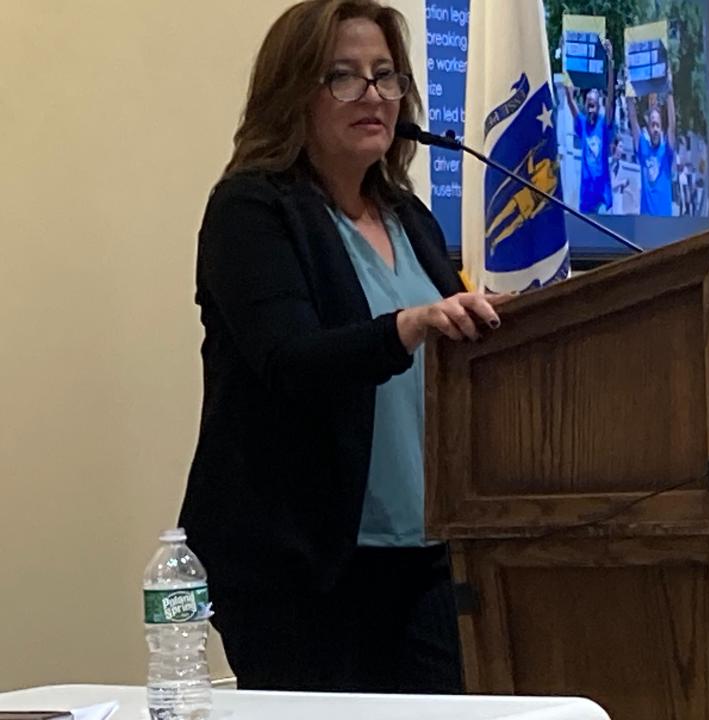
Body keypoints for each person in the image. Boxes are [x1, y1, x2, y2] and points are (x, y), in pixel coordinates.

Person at [177, 0, 503, 694]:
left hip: (427, 559)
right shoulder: (251, 211)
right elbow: (289, 360)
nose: (375, 96)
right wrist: (408, 326)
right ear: (293, 92)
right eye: (345, 77)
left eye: (386, 76)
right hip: (302, 563)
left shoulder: (407, 215)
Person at [563, 38, 615, 214]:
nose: (590, 104)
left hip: (602, 199)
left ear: (599, 105)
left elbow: (610, 94)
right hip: (585, 201)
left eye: (594, 102)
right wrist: (566, 54)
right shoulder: (582, 125)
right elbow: (569, 98)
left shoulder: (604, 124)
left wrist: (609, 61)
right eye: (588, 102)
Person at [627, 75, 676, 217]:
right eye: (652, 125)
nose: (655, 129)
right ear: (648, 128)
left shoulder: (666, 151)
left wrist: (669, 90)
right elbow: (632, 118)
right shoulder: (643, 147)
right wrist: (629, 86)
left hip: (665, 220)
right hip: (646, 219)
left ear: (661, 128)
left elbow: (672, 125)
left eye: (657, 125)